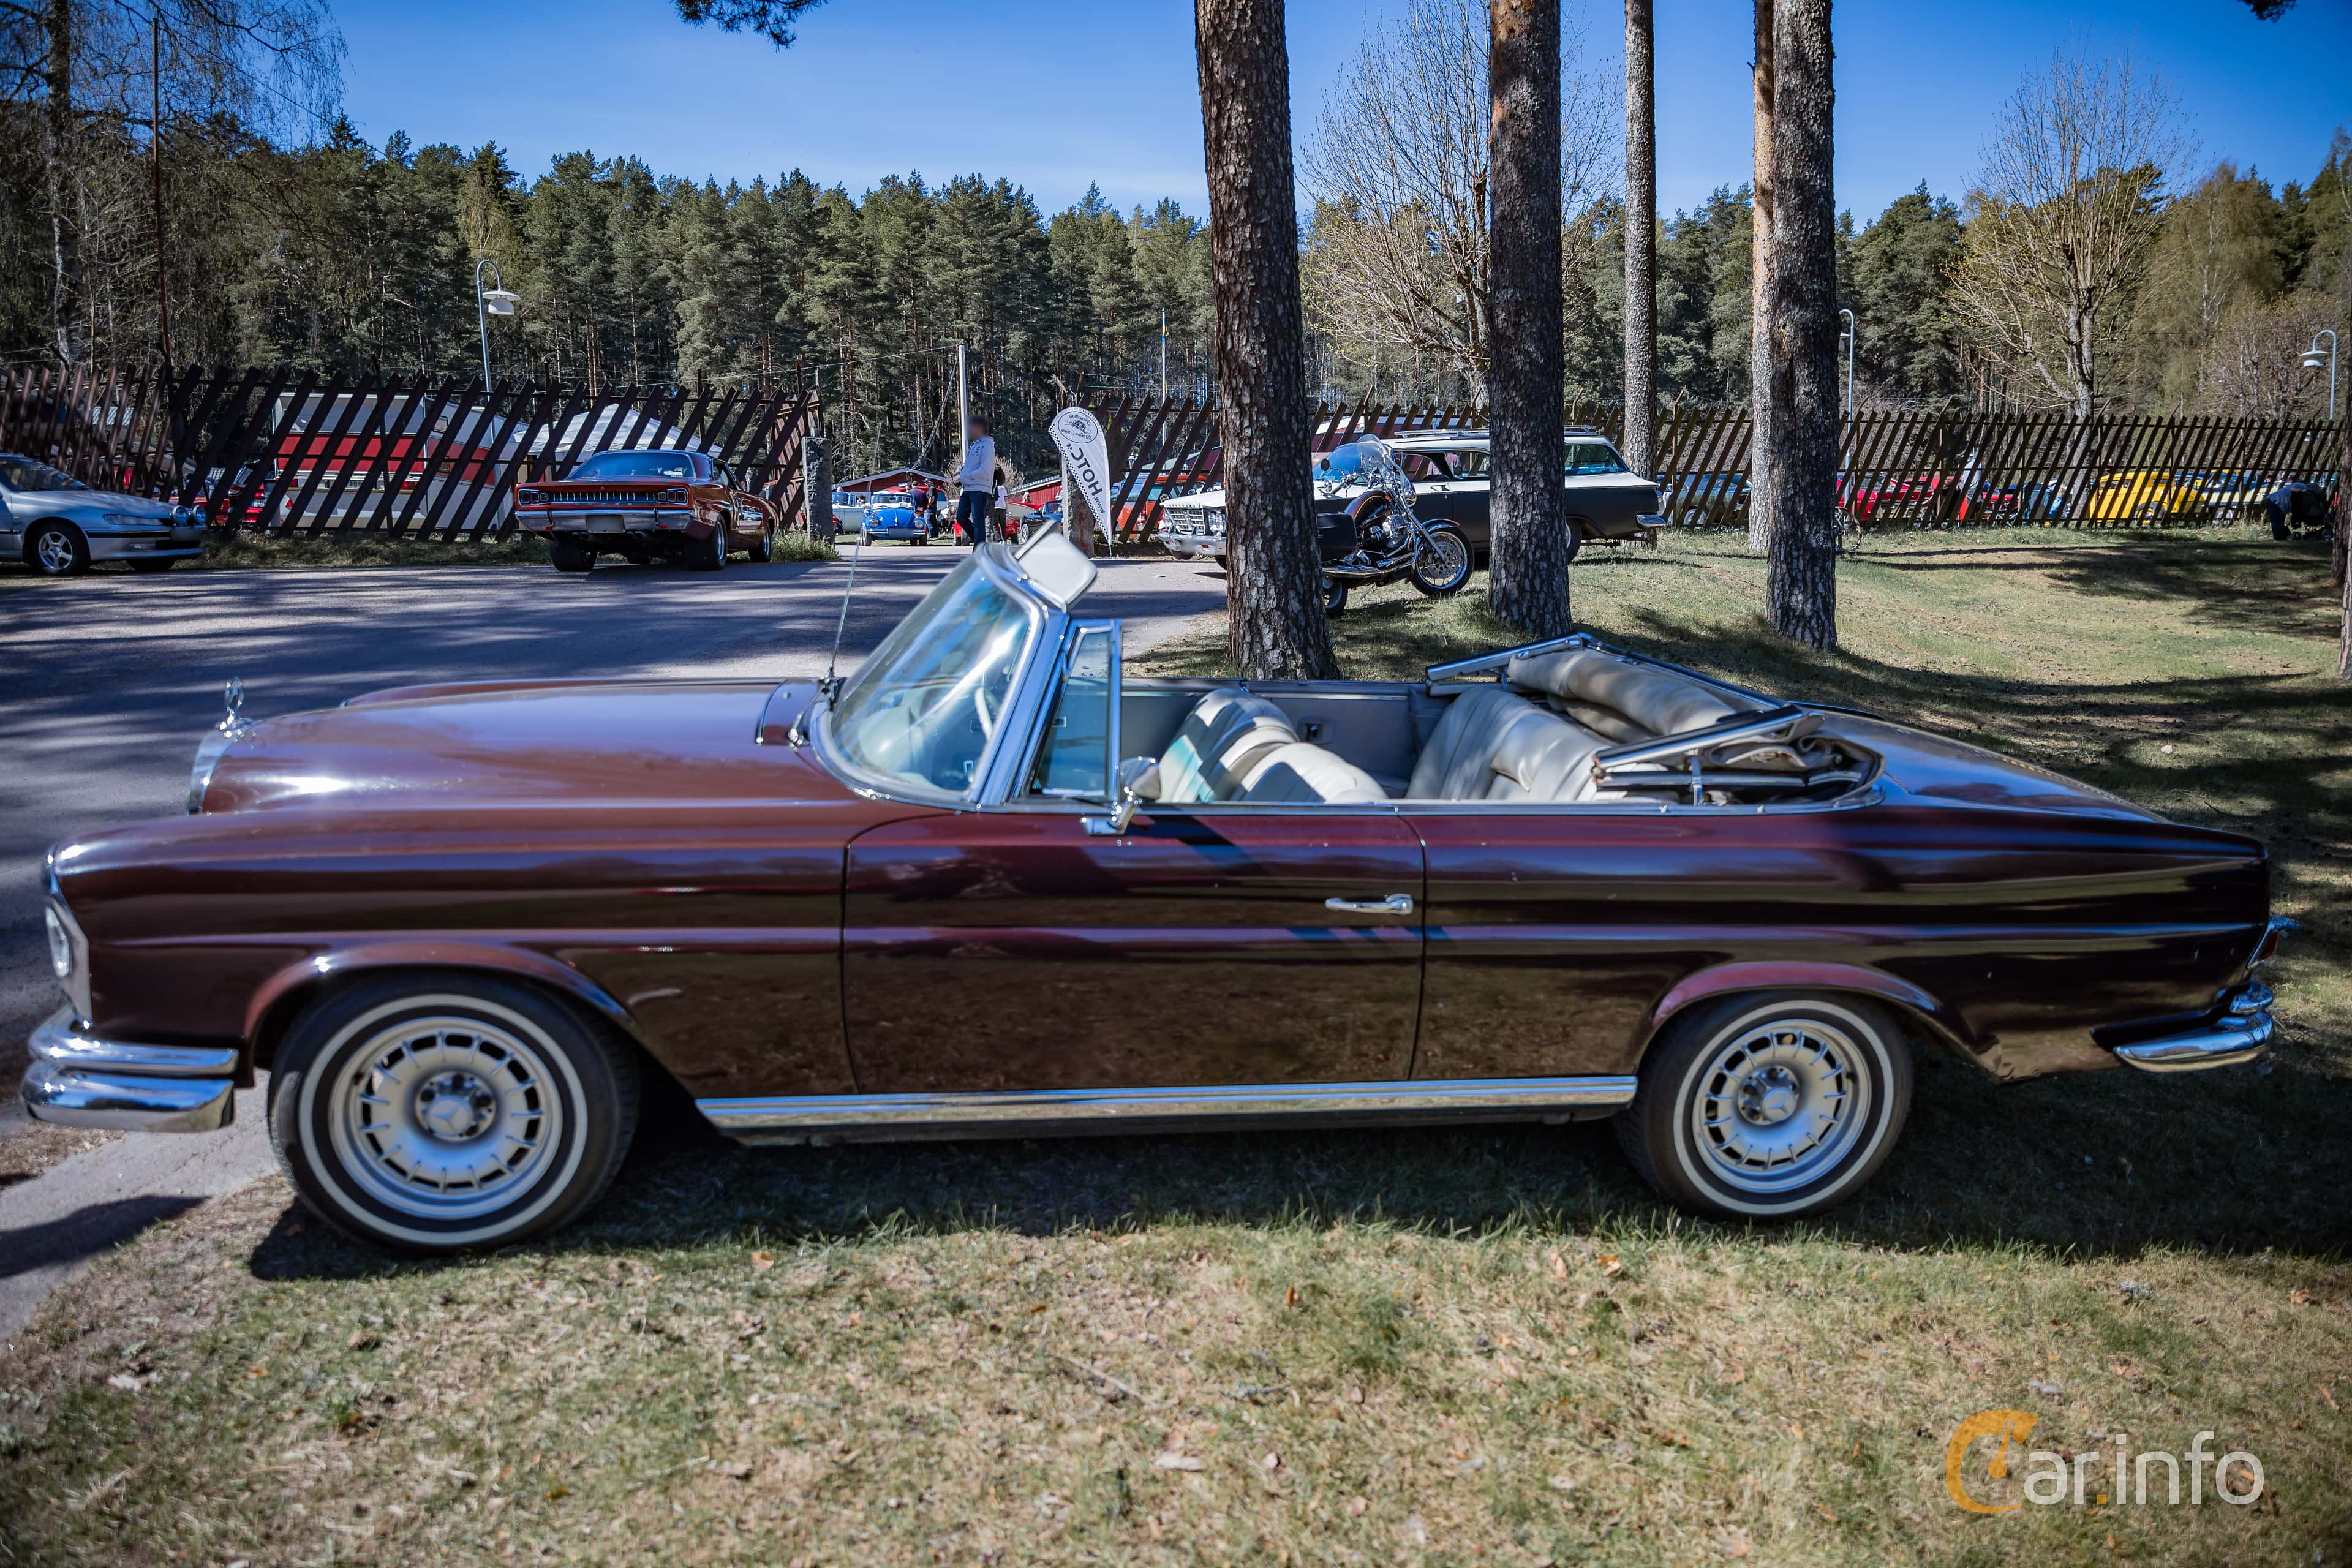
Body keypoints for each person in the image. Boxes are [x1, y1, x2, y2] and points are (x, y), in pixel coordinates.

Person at [956, 417, 998, 547]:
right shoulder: (974, 444)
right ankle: (982, 544)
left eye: (972, 427)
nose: (969, 430)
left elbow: (986, 469)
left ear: (980, 428)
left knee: (978, 521)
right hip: (968, 488)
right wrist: (964, 476)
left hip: (980, 488)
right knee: (961, 517)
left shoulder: (987, 445)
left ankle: (979, 551)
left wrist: (965, 476)